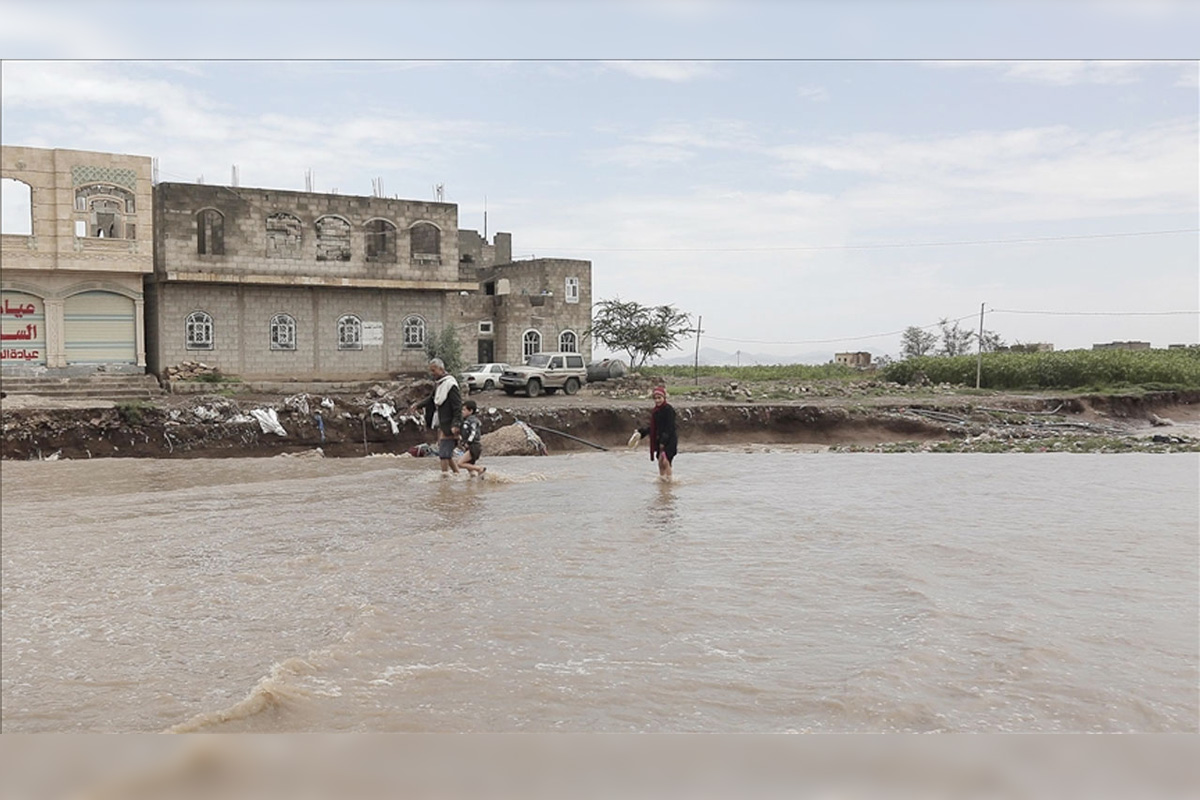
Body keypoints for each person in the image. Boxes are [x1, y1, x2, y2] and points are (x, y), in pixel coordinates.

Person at [410, 357, 462, 475]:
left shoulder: (450, 384)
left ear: (441, 369)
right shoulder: (439, 383)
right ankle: (457, 474)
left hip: (450, 424)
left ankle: (444, 480)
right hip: (442, 423)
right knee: (446, 454)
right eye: (431, 371)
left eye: (433, 371)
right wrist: (418, 405)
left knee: (443, 454)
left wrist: (456, 424)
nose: (432, 373)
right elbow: (431, 399)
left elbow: (457, 407)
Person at [634, 384, 677, 479]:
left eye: (659, 398)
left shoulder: (669, 410)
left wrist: (663, 441)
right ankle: (662, 479)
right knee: (660, 462)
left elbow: (670, 427)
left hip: (669, 439)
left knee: (666, 461)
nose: (657, 400)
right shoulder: (655, 412)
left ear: (664, 397)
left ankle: (669, 481)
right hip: (659, 439)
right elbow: (653, 427)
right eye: (655, 398)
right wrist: (642, 432)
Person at [455, 399, 487, 477]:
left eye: (464, 410)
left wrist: (468, 442)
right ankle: (474, 483)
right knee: (470, 469)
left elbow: (473, 433)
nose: (462, 411)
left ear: (471, 411)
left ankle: (480, 469)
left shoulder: (472, 421)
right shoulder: (466, 421)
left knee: (460, 463)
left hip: (474, 446)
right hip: (471, 446)